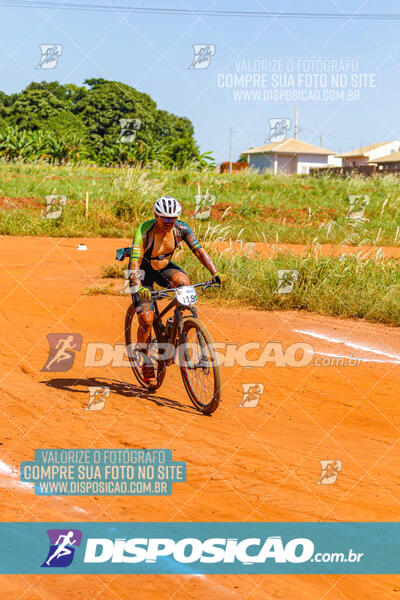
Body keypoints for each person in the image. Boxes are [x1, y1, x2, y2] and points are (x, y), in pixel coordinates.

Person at [128, 196, 222, 387]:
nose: (169, 223)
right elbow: (135, 262)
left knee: (184, 283)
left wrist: (215, 272)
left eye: (173, 219)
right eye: (165, 219)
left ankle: (176, 323)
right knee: (146, 319)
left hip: (163, 267)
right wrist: (138, 287)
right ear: (156, 215)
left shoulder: (182, 229)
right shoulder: (144, 231)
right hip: (143, 272)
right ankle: (145, 361)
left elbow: (198, 251)